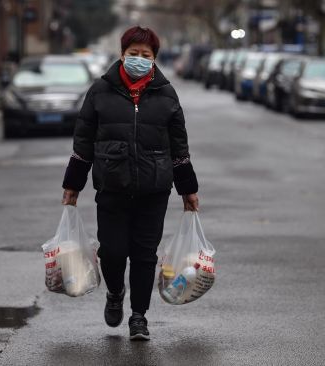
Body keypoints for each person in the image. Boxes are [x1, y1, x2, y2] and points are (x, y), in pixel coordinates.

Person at [61, 26, 200, 341]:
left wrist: (188, 189)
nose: (139, 59)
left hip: (154, 189)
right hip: (112, 186)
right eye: (133, 54)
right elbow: (83, 141)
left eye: (146, 55)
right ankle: (114, 292)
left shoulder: (166, 93)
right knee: (111, 252)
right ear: (122, 55)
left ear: (154, 59)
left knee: (144, 255)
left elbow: (179, 147)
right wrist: (73, 184)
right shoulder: (100, 91)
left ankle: (139, 316)